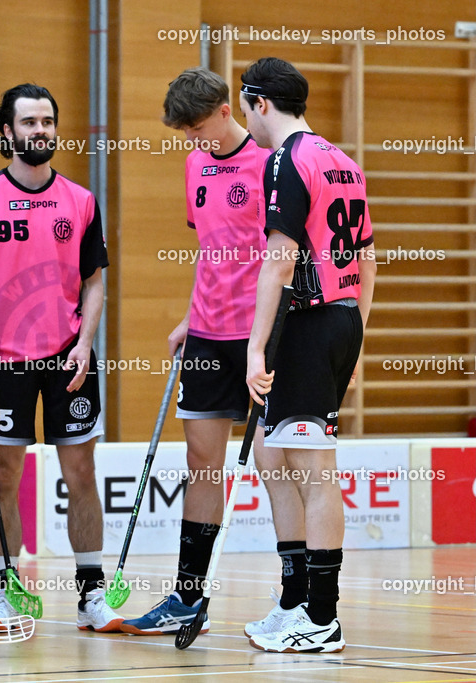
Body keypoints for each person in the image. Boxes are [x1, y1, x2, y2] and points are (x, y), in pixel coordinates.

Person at [0, 83, 122, 633]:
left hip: (67, 358)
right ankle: (7, 591)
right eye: (29, 122)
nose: (40, 131)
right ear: (6, 131)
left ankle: (92, 596)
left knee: (82, 473)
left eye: (47, 121)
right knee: (4, 478)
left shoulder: (81, 200)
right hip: (2, 361)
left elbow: (95, 283)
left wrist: (85, 342)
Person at [123, 67, 281, 635]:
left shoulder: (271, 165)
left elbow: (282, 256)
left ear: (224, 110)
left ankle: (298, 601)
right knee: (200, 463)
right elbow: (213, 249)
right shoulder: (194, 164)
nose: (192, 142)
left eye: (196, 128)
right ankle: (188, 599)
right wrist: (191, 317)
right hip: (209, 334)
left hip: (262, 335)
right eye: (182, 133)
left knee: (276, 464)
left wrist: (271, 334)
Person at [240, 57, 375, 653]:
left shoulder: (285, 160)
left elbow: (280, 259)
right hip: (337, 320)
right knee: (277, 459)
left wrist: (255, 346)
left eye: (247, 108)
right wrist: (352, 331)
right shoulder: (342, 160)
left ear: (259, 104)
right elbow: (367, 259)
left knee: (313, 472)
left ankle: (321, 617)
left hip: (310, 322)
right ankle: (296, 598)